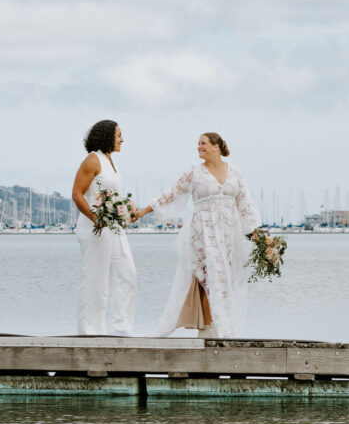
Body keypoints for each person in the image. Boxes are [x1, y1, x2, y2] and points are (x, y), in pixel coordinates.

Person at [134, 133, 260, 338]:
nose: (199, 147)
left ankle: (220, 326)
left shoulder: (235, 172)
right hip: (202, 232)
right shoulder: (194, 173)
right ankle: (207, 329)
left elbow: (246, 205)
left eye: (203, 143)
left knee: (224, 276)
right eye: (198, 144)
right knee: (209, 276)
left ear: (216, 147)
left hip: (228, 234)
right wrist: (143, 211)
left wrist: (259, 237)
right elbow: (171, 194)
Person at [71, 120, 137, 336]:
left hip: (114, 228)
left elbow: (112, 194)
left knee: (127, 274)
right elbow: (77, 194)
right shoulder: (92, 160)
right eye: (119, 135)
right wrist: (94, 218)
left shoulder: (110, 161)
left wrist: (127, 208)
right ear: (107, 136)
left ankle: (122, 329)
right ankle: (90, 332)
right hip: (95, 228)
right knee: (95, 281)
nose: (122, 139)